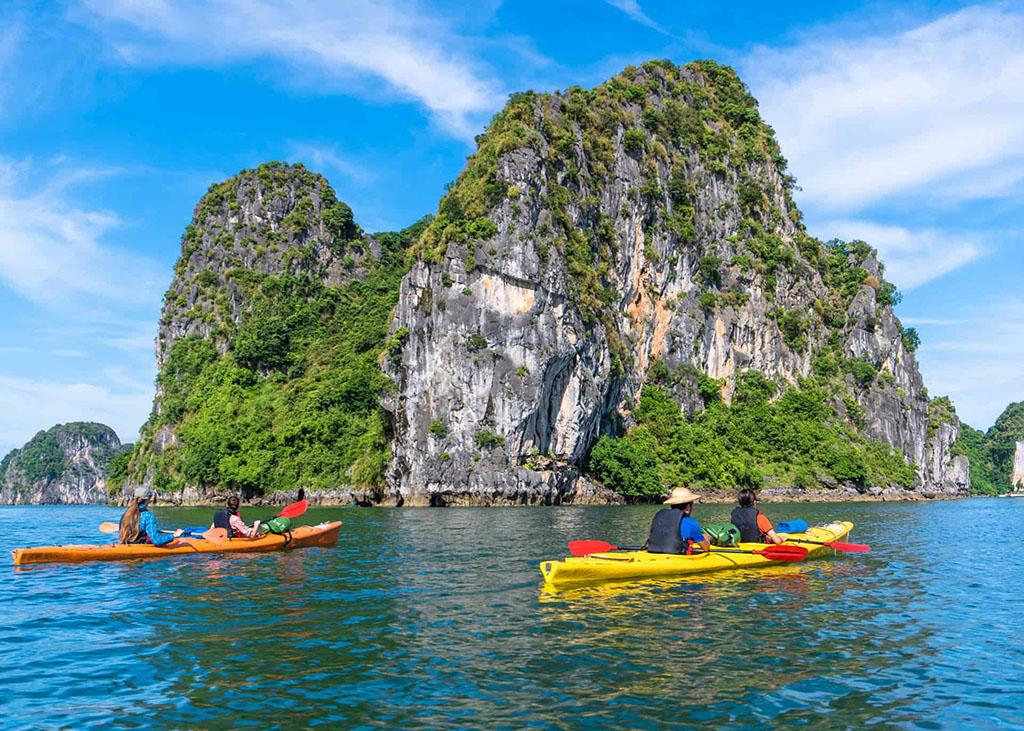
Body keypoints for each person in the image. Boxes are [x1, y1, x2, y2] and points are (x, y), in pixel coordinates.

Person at [646, 487, 711, 555]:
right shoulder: (691, 523)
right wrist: (706, 538)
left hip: (654, 552)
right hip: (677, 556)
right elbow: (706, 548)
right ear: (688, 508)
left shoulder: (661, 519)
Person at [118, 486, 183, 545]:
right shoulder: (148, 516)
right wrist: (174, 535)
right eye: (150, 498)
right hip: (141, 547)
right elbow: (156, 540)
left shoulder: (126, 514)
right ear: (147, 499)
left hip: (127, 544)